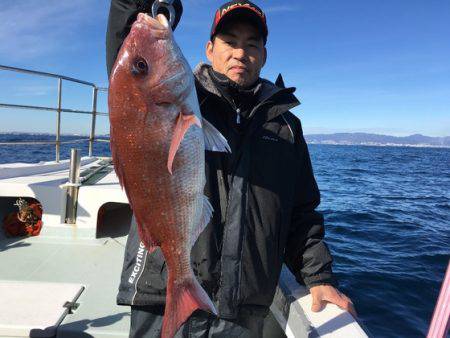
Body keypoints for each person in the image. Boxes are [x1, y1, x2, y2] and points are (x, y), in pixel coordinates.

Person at [106, 1, 356, 336]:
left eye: (251, 44)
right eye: (229, 42)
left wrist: (319, 277)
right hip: (161, 292)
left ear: (264, 55)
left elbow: (301, 211)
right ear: (209, 50)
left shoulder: (286, 127)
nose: (240, 53)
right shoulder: (187, 98)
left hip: (243, 309)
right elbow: (129, 50)